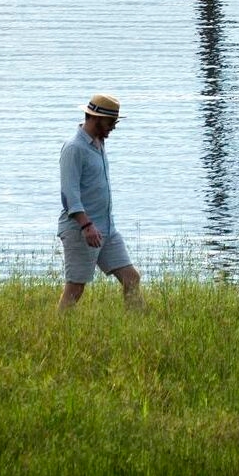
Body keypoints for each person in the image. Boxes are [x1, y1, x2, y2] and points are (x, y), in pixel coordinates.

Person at [58, 93, 143, 312]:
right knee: (75, 288)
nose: (114, 127)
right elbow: (69, 194)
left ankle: (139, 327)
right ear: (95, 118)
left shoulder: (99, 143)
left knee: (131, 278)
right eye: (111, 122)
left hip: (107, 228)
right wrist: (86, 226)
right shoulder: (74, 148)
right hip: (82, 229)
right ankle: (58, 329)